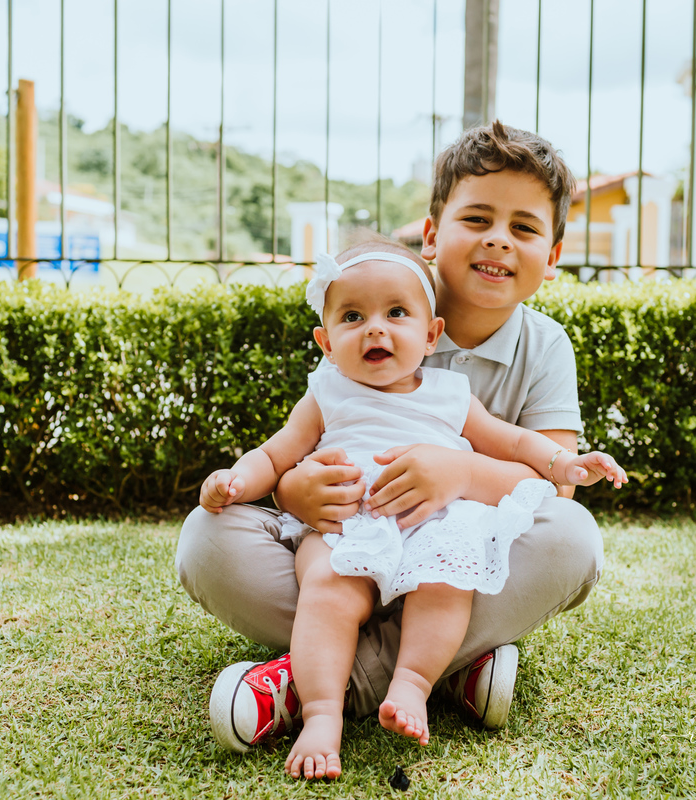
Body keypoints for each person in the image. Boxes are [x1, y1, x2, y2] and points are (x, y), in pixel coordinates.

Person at [176, 120, 604, 762]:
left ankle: (310, 683)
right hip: (346, 540)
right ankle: (450, 672)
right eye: (478, 218)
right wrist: (293, 492)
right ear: (432, 235)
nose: (497, 240)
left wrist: (459, 476)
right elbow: (292, 449)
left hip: (453, 559)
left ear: (554, 253)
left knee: (573, 538)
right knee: (206, 539)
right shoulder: (363, 314)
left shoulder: (544, 348)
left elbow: (550, 488)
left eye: (523, 227)